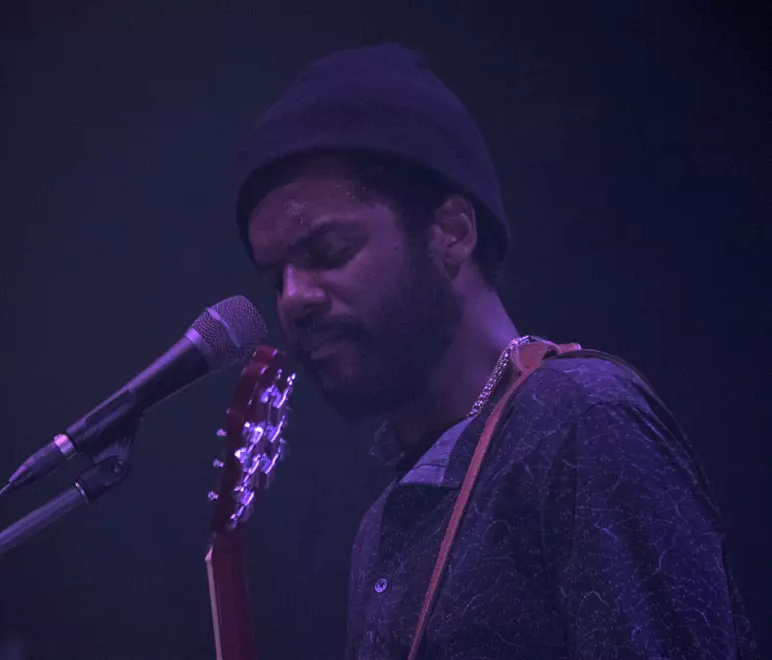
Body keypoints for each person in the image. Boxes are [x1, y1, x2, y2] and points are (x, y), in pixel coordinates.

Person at [232, 44, 758, 659]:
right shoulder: (383, 524)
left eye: (328, 252)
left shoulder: (578, 422)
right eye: (276, 279)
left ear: (452, 232)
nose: (294, 299)